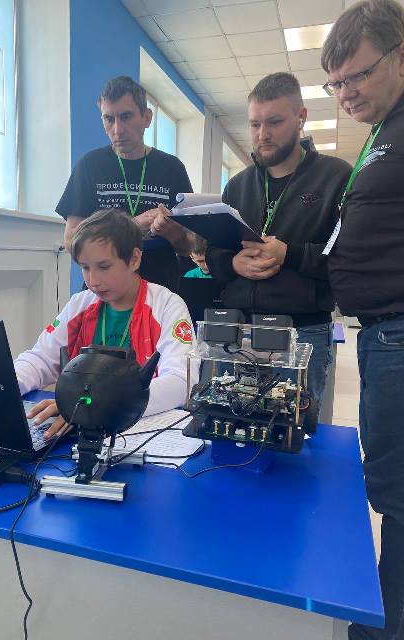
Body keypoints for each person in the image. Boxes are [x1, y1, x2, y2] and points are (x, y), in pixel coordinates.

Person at [321, 2, 404, 638]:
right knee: (389, 484)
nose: (346, 92)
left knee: (398, 493)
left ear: (400, 56)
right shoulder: (381, 135)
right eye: (335, 83)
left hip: (398, 330)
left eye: (357, 75)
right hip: (379, 334)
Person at [206, 72, 351, 409]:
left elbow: (346, 259)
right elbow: (214, 254)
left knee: (294, 429)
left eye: (274, 122)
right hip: (237, 332)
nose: (263, 134)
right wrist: (232, 263)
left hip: (303, 332)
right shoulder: (237, 186)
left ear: (301, 117)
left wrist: (290, 254)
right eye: (255, 124)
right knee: (233, 425)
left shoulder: (335, 177)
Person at [14, 209, 197, 438]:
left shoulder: (167, 305)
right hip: (82, 429)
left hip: (140, 432)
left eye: (103, 267)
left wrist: (88, 404)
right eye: (85, 267)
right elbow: (40, 358)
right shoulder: (80, 304)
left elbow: (182, 381)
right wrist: (5, 386)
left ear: (134, 259)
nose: (93, 281)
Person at [56, 75, 194, 292]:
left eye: (126, 116)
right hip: (102, 292)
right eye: (109, 119)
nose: (118, 129)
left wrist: (172, 232)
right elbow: (71, 240)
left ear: (146, 118)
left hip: (158, 292)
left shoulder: (172, 168)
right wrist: (133, 226)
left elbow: (189, 246)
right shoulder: (90, 166)